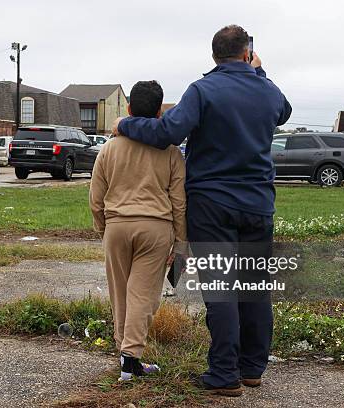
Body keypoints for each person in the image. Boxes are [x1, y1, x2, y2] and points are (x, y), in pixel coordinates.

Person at [113, 25, 291, 397]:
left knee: (221, 288)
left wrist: (125, 123)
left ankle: (224, 373)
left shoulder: (202, 90)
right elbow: (283, 112)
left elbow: (167, 134)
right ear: (247, 53)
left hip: (212, 204)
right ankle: (252, 368)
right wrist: (259, 71)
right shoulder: (267, 89)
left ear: (213, 56)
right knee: (255, 288)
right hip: (259, 204)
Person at [89, 80, 187, 382]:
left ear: (128, 109)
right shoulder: (170, 151)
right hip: (155, 228)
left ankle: (123, 353)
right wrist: (181, 241)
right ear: (160, 113)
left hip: (117, 226)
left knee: (120, 293)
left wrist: (103, 227)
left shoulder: (110, 148)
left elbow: (96, 195)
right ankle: (130, 359)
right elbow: (179, 201)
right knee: (143, 295)